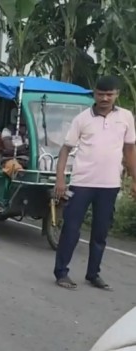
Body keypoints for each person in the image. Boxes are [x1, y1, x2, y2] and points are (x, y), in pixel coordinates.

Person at [53, 76, 136, 290]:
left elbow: (129, 150)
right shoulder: (82, 119)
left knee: (100, 232)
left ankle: (93, 274)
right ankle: (61, 272)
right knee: (71, 229)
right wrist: (60, 179)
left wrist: (135, 179)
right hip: (82, 183)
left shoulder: (126, 117)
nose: (105, 98)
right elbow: (65, 149)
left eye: (109, 94)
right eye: (101, 94)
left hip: (109, 185)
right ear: (94, 94)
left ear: (116, 94)